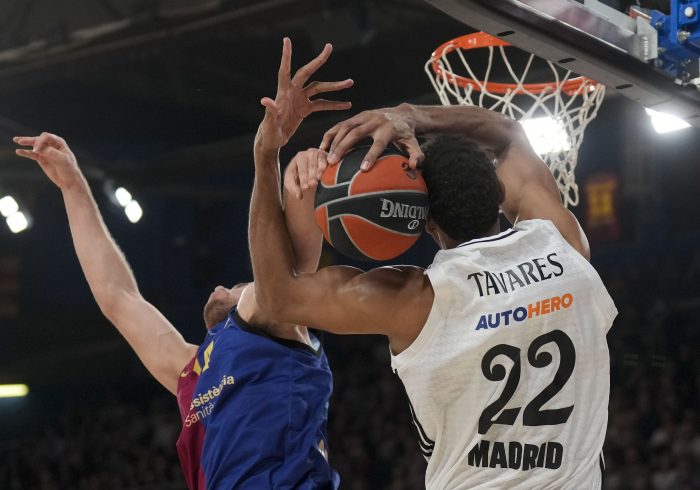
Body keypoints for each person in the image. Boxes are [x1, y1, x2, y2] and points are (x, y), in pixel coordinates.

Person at [250, 37, 617, 489]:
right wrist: (408, 115)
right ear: (500, 194)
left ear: (424, 224)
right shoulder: (565, 246)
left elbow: (277, 296)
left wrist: (266, 153)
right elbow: (510, 134)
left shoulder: (417, 299)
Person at [13, 46, 351, 489]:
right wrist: (73, 185)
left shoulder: (272, 322)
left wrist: (282, 163)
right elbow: (118, 298)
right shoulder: (193, 370)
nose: (220, 286)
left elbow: (284, 275)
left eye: (235, 285)